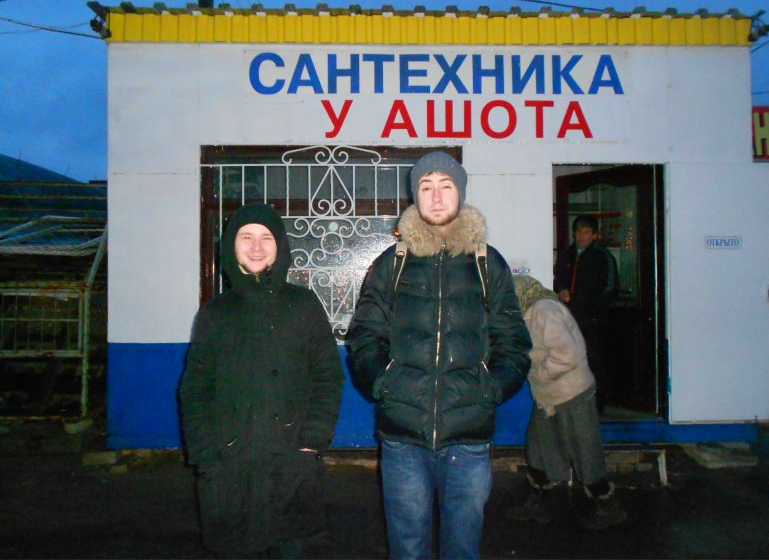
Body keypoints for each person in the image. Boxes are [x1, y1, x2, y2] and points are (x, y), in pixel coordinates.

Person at [346, 151, 532, 560]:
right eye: (426, 186)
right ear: (415, 195)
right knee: (407, 549)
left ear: (460, 194)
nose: (435, 196)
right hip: (402, 436)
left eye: (445, 186)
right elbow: (363, 336)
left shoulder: (487, 263)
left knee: (462, 548)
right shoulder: (392, 263)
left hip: (468, 437)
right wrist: (383, 382)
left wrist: (491, 389)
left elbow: (514, 342)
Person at [179, 203, 345, 560]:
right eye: (246, 237)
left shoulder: (303, 305)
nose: (256, 247)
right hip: (229, 466)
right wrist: (206, 455)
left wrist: (313, 439)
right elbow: (194, 390)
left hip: (292, 463)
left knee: (290, 546)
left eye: (266, 238)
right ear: (231, 245)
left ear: (279, 245)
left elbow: (328, 376)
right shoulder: (214, 314)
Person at [506, 275, 627, 530]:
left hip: (572, 393)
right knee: (539, 446)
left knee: (585, 451)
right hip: (550, 395)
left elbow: (567, 355)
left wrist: (538, 374)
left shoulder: (544, 310)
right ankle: (539, 502)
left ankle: (608, 506)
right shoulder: (530, 310)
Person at [553, 214, 618, 413]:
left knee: (595, 361)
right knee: (572, 361)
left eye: (586, 232)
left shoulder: (602, 257)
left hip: (594, 320)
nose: (581, 236)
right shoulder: (567, 255)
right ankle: (575, 404)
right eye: (578, 232)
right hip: (570, 318)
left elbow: (611, 287)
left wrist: (594, 310)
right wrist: (561, 290)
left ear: (595, 235)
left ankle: (597, 405)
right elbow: (557, 278)